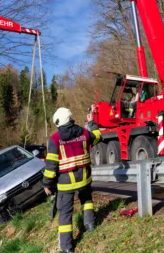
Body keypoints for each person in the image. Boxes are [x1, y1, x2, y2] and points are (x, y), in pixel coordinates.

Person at [42, 107, 101, 253]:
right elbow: (98, 137)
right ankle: (90, 225)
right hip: (85, 178)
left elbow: (51, 166)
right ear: (70, 117)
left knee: (65, 213)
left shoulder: (55, 140)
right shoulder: (84, 132)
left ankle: (67, 247)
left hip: (65, 183)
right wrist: (92, 123)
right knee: (86, 200)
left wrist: (47, 184)